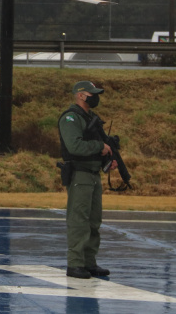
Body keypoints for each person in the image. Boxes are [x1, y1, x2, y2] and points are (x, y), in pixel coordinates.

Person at [58, 81, 117, 279]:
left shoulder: (91, 118)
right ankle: (75, 263)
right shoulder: (71, 118)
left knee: (93, 221)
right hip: (80, 174)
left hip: (93, 174)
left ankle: (89, 262)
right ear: (81, 96)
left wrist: (107, 158)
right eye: (92, 93)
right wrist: (99, 147)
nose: (95, 96)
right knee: (79, 221)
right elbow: (75, 146)